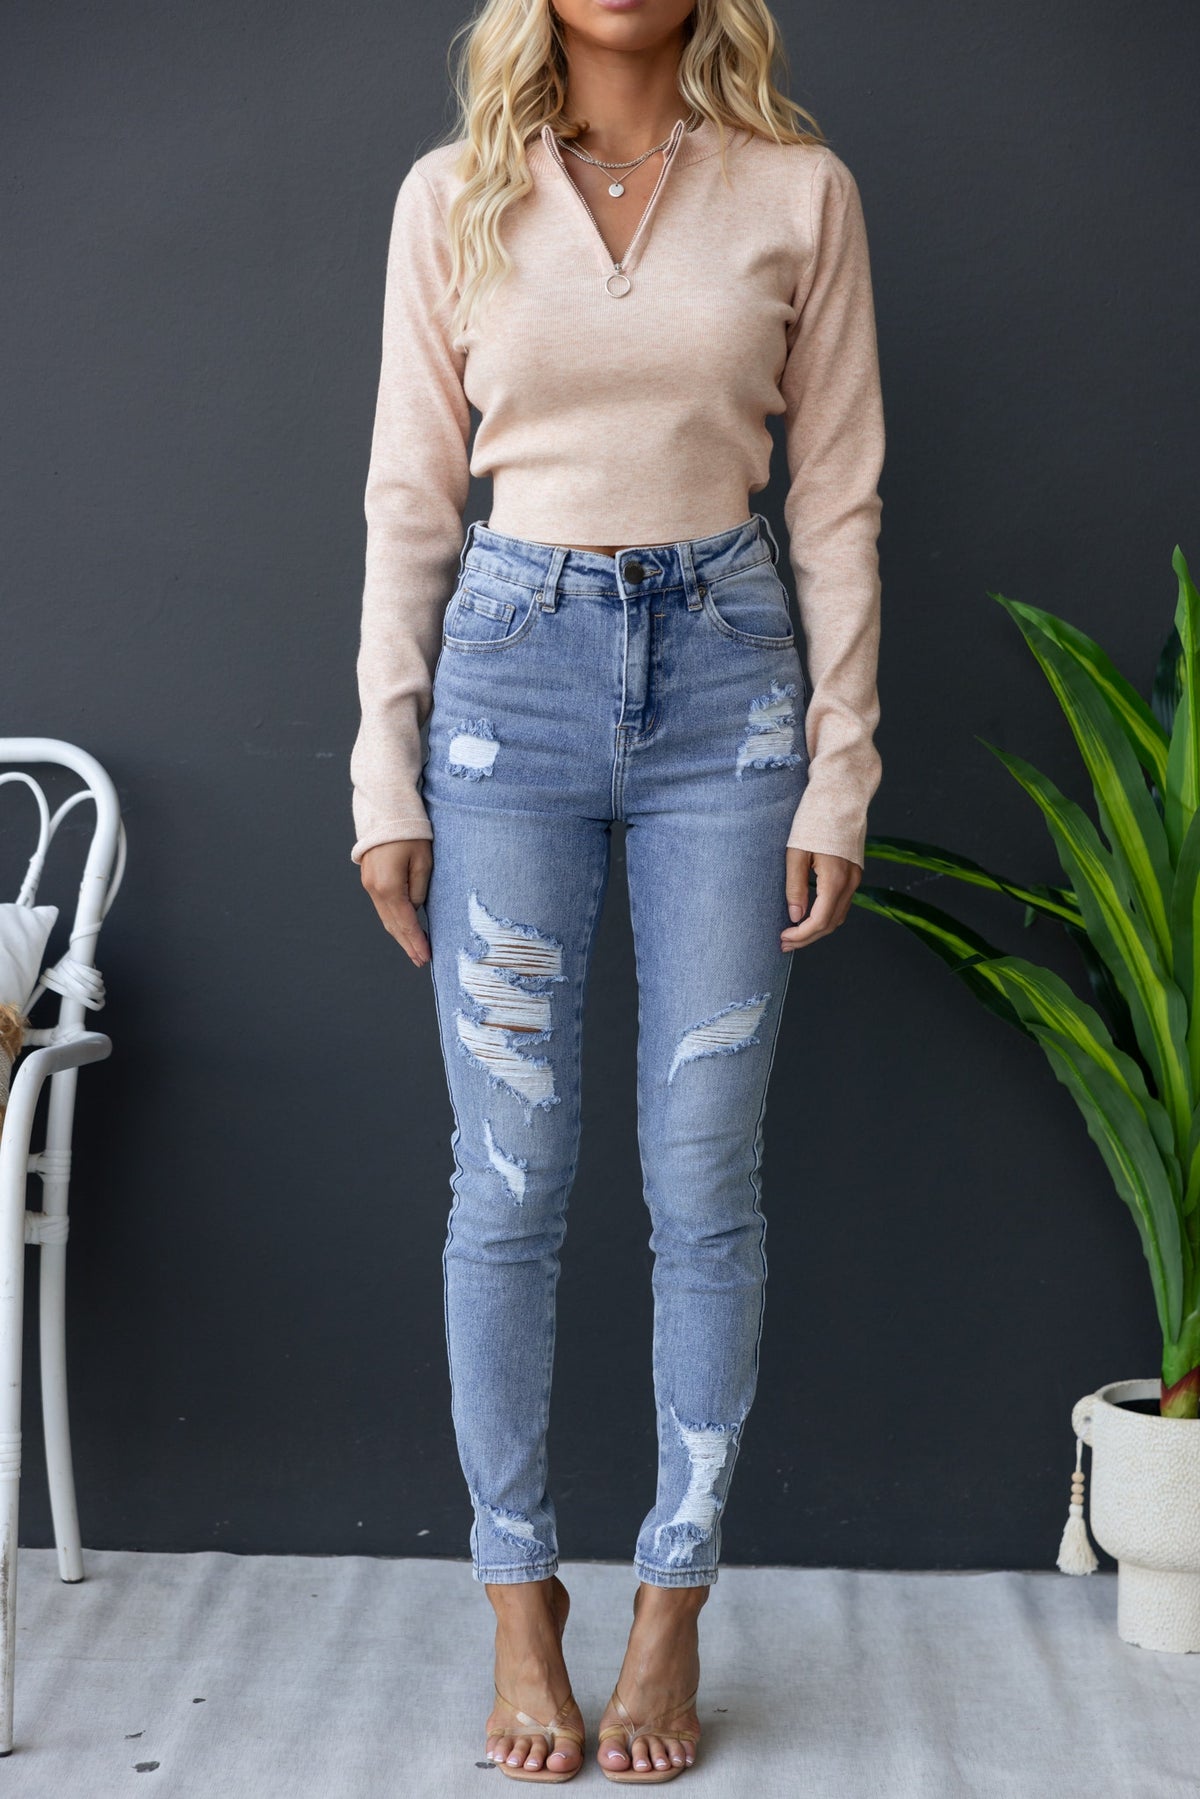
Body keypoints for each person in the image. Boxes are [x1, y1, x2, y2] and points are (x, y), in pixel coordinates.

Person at [349, 0, 884, 1782]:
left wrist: (841, 760)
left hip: (731, 683)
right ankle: (520, 1598)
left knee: (702, 1169)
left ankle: (671, 1597)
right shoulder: (457, 196)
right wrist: (383, 765)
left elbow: (838, 498)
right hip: (510, 678)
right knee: (505, 1171)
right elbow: (411, 499)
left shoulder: (800, 194)